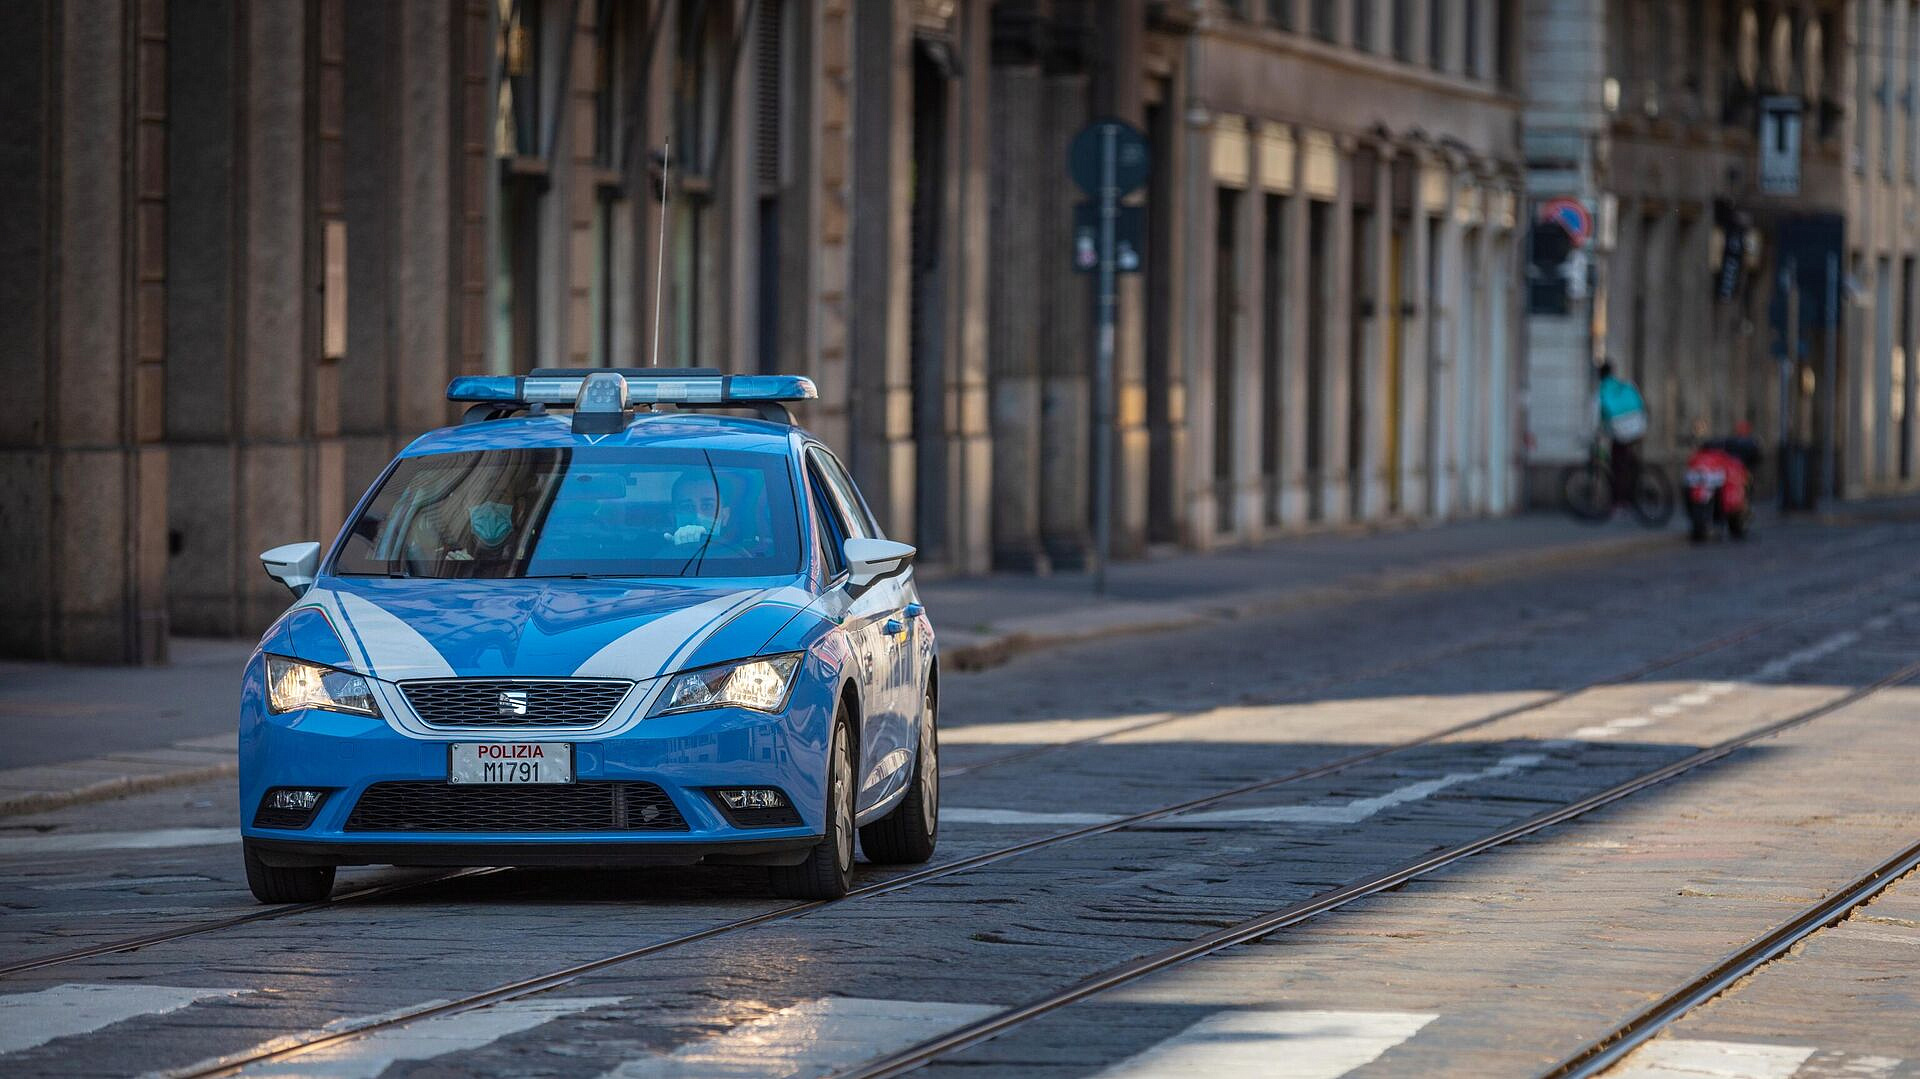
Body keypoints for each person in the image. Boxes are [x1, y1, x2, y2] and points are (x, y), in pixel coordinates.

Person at [1595, 361, 1648, 507]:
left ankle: (1620, 501)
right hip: (1637, 426)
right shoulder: (1625, 385)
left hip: (1619, 432)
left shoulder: (1602, 390)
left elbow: (1599, 417)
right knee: (1628, 460)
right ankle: (1634, 489)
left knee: (1617, 465)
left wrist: (1598, 433)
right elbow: (1641, 405)